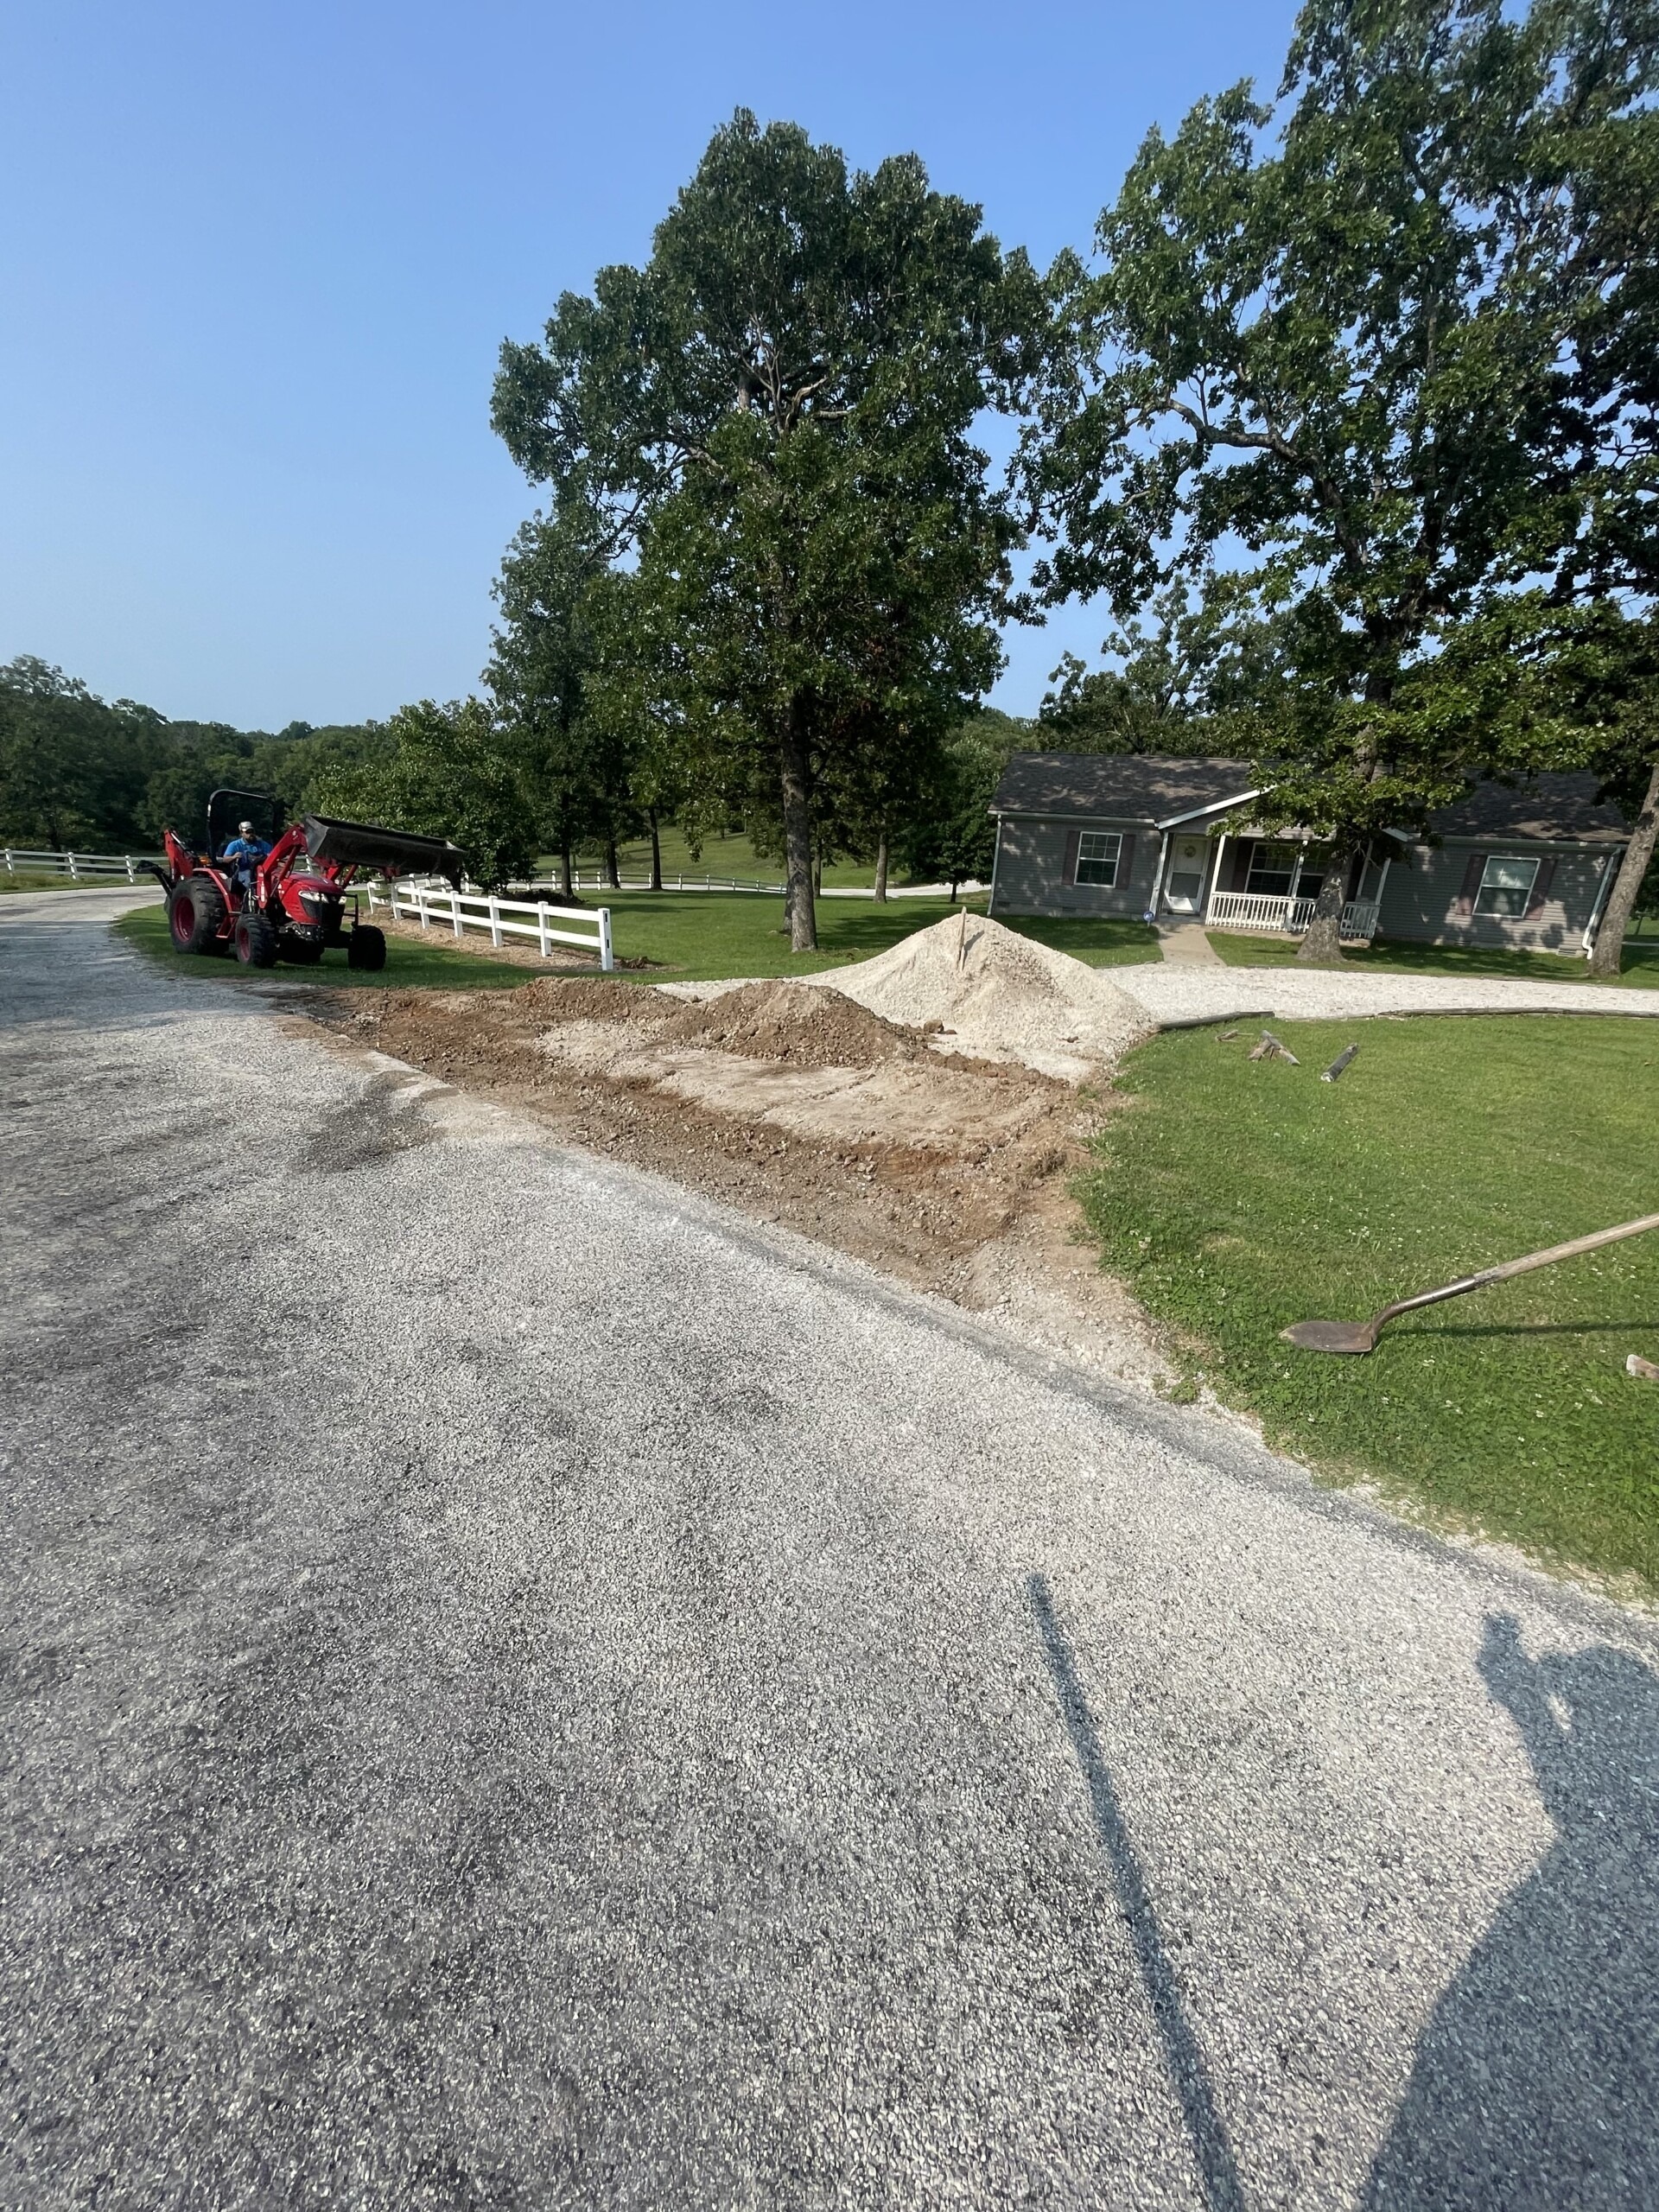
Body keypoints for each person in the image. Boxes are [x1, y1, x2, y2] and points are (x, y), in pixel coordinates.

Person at [220, 820, 270, 887]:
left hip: (261, 871)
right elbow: (225, 859)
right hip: (243, 872)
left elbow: (271, 856)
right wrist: (234, 857)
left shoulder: (263, 844)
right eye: (248, 832)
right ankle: (249, 895)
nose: (251, 834)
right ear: (242, 833)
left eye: (252, 831)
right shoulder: (235, 845)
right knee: (248, 876)